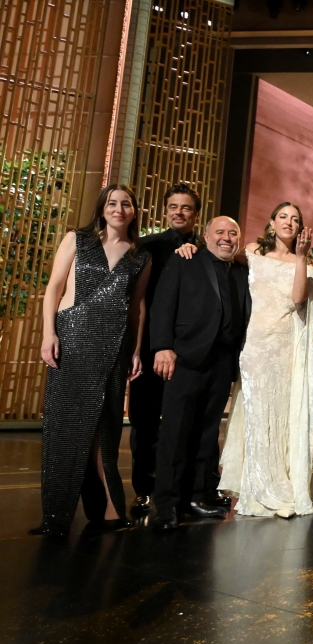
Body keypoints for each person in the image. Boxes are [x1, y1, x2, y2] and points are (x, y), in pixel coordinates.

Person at [32, 185, 151, 537]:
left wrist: (136, 350)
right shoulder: (77, 240)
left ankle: (111, 510)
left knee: (107, 427)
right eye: (112, 203)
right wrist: (48, 334)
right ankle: (55, 516)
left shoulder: (141, 256)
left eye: (126, 204)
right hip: (72, 340)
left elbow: (137, 307)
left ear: (134, 211)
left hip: (115, 346)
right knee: (65, 428)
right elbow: (54, 288)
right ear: (102, 208)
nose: (119, 209)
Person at [209, 203, 313, 518]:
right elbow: (220, 255)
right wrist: (190, 246)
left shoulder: (305, 261)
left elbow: (298, 298)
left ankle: (279, 484)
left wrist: (300, 256)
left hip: (286, 349)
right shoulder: (252, 252)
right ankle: (256, 488)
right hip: (255, 345)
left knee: (280, 414)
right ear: (272, 222)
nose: (288, 222)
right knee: (257, 415)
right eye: (283, 216)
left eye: (295, 219)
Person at [149, 216, 250, 531]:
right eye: (219, 232)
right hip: (185, 359)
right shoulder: (185, 260)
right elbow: (162, 305)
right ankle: (166, 505)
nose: (226, 237)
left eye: (233, 233)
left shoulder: (242, 271)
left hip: (222, 363)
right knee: (175, 434)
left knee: (206, 436)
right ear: (206, 236)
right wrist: (162, 346)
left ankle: (195, 498)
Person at [128, 184, 203, 515]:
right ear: (165, 211)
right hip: (148, 348)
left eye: (186, 207)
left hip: (190, 352)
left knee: (187, 424)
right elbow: (137, 301)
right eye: (173, 206)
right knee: (144, 423)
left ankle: (181, 491)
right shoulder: (146, 247)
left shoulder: (206, 249)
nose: (179, 212)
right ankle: (143, 490)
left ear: (196, 214)